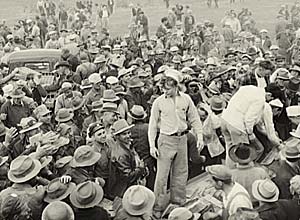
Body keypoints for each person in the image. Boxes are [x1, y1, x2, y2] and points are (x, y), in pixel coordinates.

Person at [148, 69, 204, 218]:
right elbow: (152, 125)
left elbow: (194, 119)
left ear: (176, 86)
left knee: (180, 173)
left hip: (182, 139)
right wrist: (152, 145)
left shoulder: (186, 99)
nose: (165, 91)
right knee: (162, 176)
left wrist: (200, 136)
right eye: (163, 88)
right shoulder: (158, 102)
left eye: (168, 88)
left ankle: (178, 203)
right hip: (165, 140)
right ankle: (158, 207)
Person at [110, 119, 147, 198]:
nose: (128, 136)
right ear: (117, 136)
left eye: (128, 132)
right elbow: (128, 177)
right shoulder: (120, 154)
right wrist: (141, 169)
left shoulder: (128, 144)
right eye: (124, 134)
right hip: (123, 191)